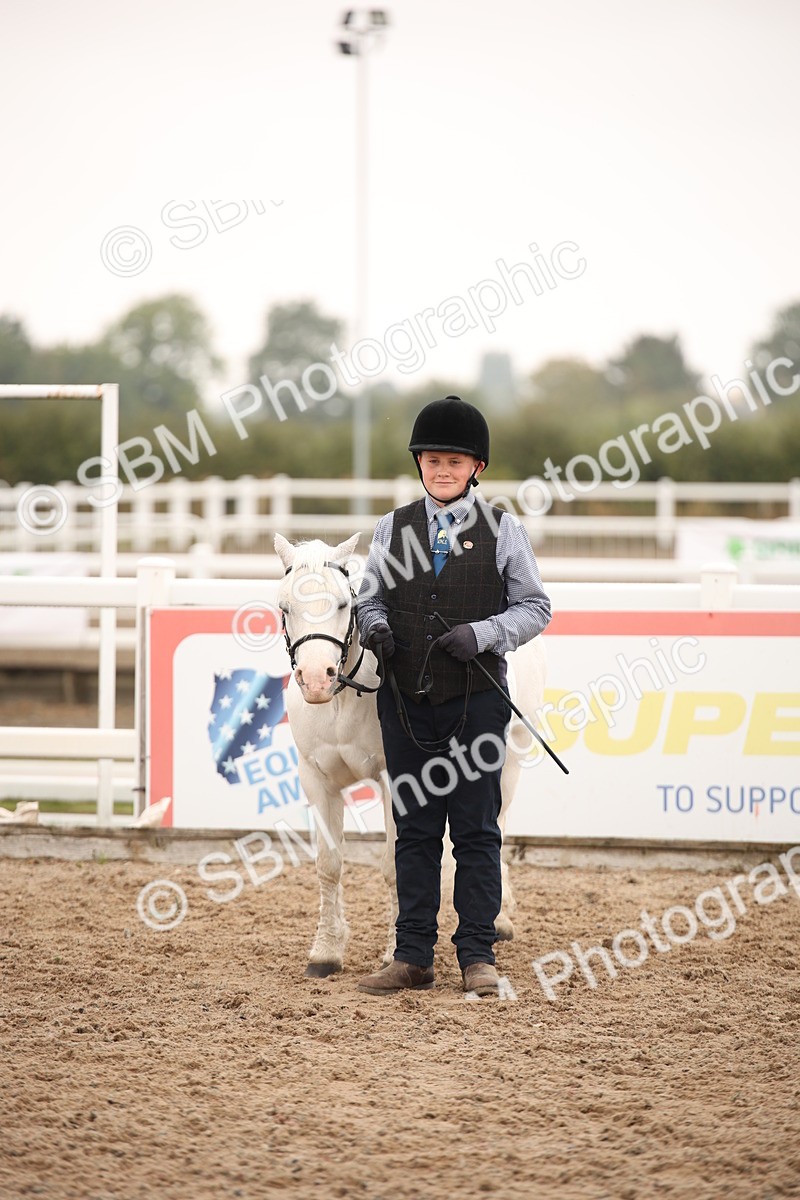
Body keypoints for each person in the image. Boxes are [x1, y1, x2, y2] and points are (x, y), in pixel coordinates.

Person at [355, 395, 551, 997]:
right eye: (432, 459)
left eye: (454, 461)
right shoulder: (393, 528)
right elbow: (367, 598)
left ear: (476, 468)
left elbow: (536, 607)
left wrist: (485, 633)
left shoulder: (504, 530)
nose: (441, 470)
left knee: (474, 829)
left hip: (477, 699)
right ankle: (412, 954)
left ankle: (477, 956)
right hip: (405, 702)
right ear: (420, 464)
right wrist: (375, 626)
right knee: (412, 828)